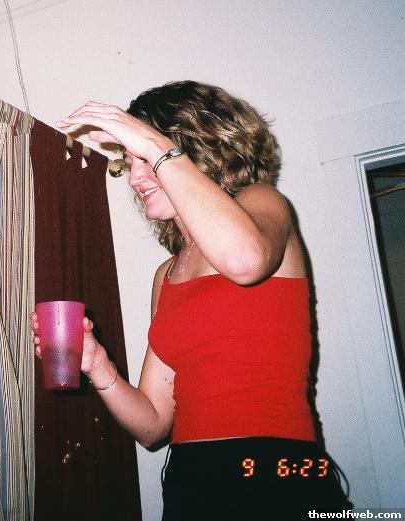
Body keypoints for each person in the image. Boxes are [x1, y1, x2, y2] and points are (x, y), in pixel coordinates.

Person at [34, 81, 351, 520]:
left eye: (145, 160)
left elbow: (245, 261)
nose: (135, 178)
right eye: (130, 162)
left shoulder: (261, 201)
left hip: (275, 470)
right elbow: (152, 425)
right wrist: (97, 364)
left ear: (200, 151)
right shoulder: (166, 275)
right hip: (189, 480)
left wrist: (152, 144)